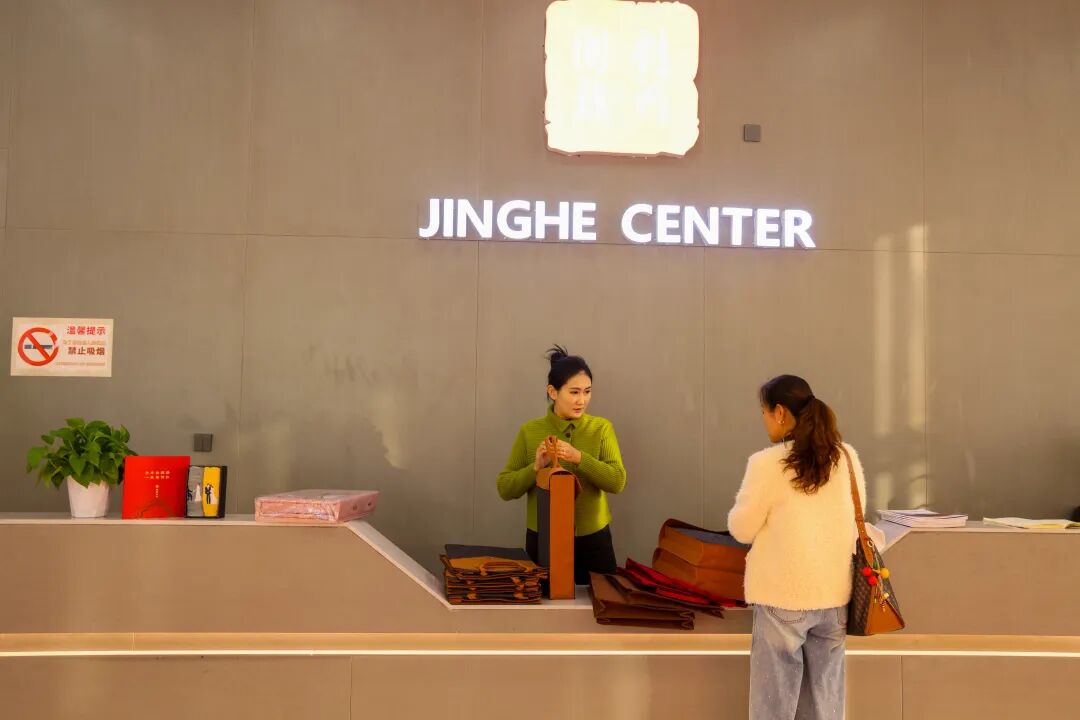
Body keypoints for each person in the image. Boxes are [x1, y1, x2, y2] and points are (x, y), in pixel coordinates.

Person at [727, 375, 866, 720]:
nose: (763, 420)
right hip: (834, 598)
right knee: (825, 705)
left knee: (773, 707)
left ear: (779, 412)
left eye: (763, 412)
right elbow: (856, 517)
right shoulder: (846, 457)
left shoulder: (767, 463)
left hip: (782, 599)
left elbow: (742, 530)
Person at [497, 345, 627, 584]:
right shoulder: (530, 431)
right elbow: (505, 488)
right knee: (545, 605)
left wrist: (579, 458)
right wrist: (535, 469)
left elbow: (617, 481)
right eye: (574, 392)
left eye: (587, 392)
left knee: (599, 603)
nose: (582, 400)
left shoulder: (601, 429)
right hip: (543, 540)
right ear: (553, 392)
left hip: (593, 540)